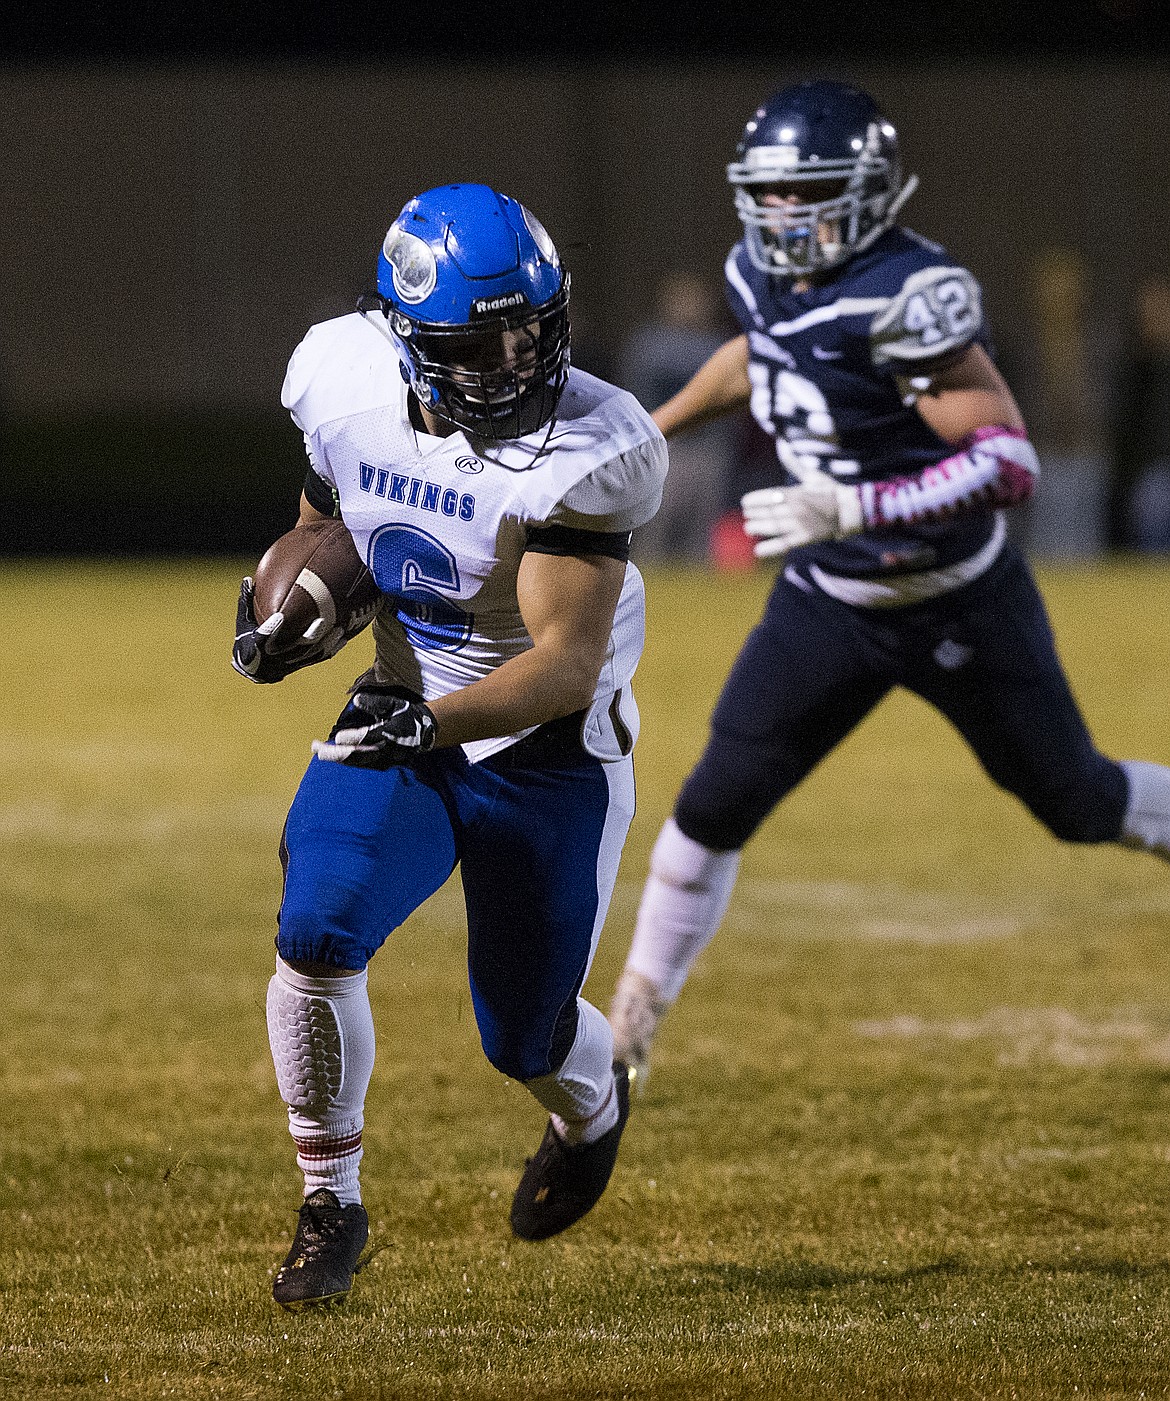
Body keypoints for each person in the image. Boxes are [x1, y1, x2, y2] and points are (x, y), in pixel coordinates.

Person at [608, 80, 1170, 1087]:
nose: (782, 218)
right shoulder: (762, 273)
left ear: (864, 194)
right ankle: (629, 1028)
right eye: (769, 197)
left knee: (1078, 802)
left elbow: (1009, 465)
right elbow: (760, 358)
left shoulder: (911, 296)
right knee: (709, 809)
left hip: (957, 595)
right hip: (832, 602)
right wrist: (646, 432)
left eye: (805, 195)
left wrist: (858, 508)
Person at [232, 183, 667, 1308]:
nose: (518, 361)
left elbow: (565, 661)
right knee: (317, 927)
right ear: (406, 340)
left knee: (522, 1035)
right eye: (483, 342)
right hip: (404, 708)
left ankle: (593, 1103)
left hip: (550, 747)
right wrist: (302, 609)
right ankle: (332, 1198)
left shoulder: (592, 444)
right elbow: (333, 522)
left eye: (532, 329)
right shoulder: (344, 382)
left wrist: (429, 718)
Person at [617, 272, 736, 562]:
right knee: (655, 529)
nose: (690, 306)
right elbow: (635, 394)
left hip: (706, 449)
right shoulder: (651, 344)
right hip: (666, 446)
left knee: (700, 534)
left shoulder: (716, 343)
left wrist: (722, 446)